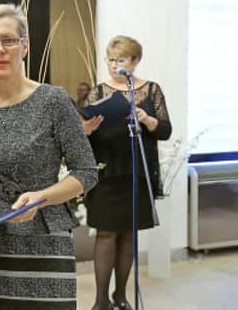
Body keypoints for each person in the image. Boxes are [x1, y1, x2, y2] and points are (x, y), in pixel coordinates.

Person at [0, 4, 98, 309]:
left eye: (9, 40)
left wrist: (41, 197)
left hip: (44, 238)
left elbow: (86, 171)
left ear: (25, 46)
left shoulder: (53, 100)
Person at [82, 35, 172, 310]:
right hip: (106, 174)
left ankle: (120, 296)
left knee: (129, 235)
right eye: (110, 59)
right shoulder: (98, 92)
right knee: (106, 234)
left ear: (135, 61)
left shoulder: (151, 90)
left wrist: (146, 119)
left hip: (137, 174)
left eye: (120, 60)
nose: (113, 65)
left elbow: (165, 130)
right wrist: (87, 130)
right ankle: (100, 301)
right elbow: (82, 135)